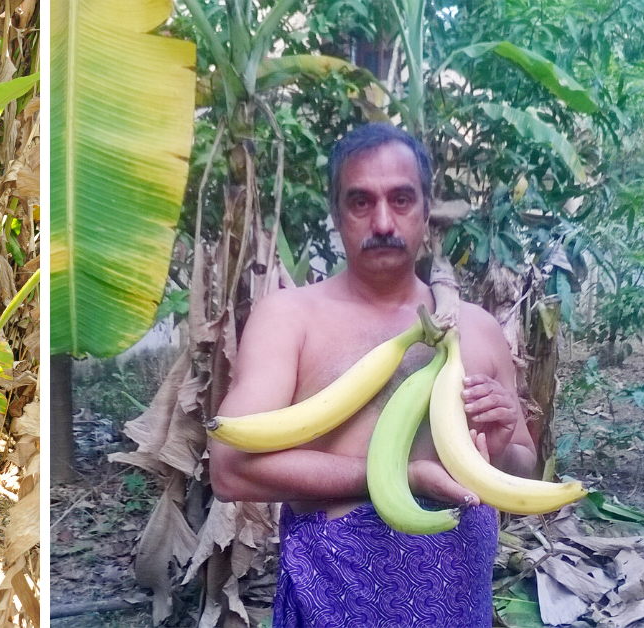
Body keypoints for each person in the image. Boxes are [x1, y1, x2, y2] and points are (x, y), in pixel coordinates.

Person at [208, 123, 538, 627]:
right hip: (334, 604)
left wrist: (497, 447)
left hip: (456, 605)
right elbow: (229, 468)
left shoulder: (478, 330)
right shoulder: (291, 318)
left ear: (427, 210)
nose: (383, 221)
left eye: (401, 199)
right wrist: (394, 478)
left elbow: (524, 471)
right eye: (360, 202)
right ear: (337, 214)